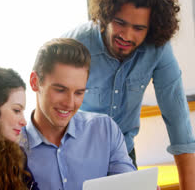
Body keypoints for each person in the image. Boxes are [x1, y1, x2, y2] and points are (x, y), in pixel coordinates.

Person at [63, 0, 195, 189]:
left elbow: (178, 119)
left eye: (138, 28)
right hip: (75, 159)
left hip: (123, 156)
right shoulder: (76, 44)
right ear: (106, 15)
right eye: (120, 23)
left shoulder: (158, 49)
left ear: (151, 29)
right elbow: (49, 109)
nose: (127, 35)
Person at [22, 38, 136, 190]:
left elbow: (128, 185)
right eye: (60, 90)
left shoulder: (105, 130)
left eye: (79, 92)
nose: (69, 103)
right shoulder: (10, 147)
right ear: (35, 82)